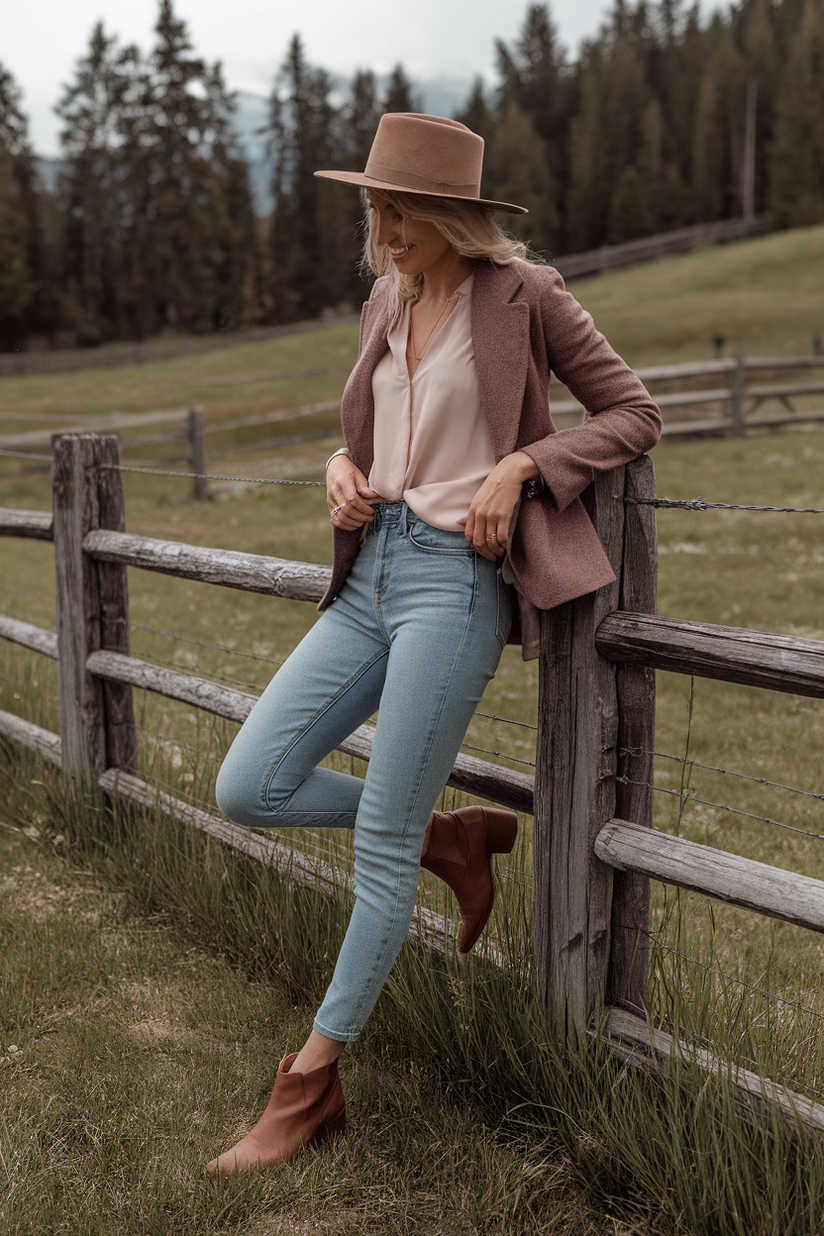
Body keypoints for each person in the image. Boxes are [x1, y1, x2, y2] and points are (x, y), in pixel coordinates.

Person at [206, 113, 662, 1176]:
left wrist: (524, 467)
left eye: (401, 209)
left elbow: (633, 412)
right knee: (249, 783)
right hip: (369, 572)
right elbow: (384, 426)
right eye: (374, 206)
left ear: (455, 213)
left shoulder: (526, 296)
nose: (384, 228)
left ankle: (307, 1086)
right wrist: (337, 461)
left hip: (454, 584)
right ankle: (448, 843)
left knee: (373, 851)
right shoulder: (387, 294)